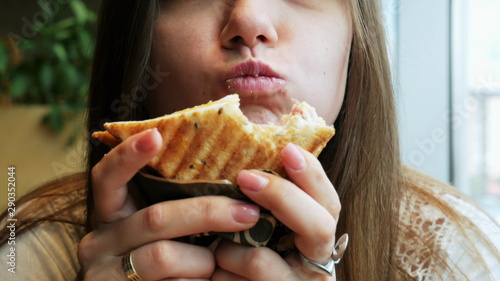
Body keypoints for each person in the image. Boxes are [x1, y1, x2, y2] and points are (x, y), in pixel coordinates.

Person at [1, 0, 499, 280]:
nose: (250, 21)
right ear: (136, 37)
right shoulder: (24, 257)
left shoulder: (457, 256)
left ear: (357, 34)